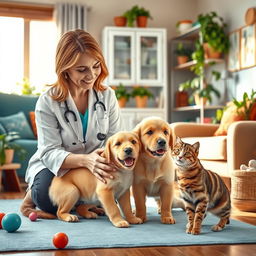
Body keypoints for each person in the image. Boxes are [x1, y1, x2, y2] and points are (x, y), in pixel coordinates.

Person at [20, 29, 123, 215]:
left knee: (112, 193)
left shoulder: (108, 96)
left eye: (96, 66)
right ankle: (32, 195)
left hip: (95, 164)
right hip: (58, 166)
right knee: (47, 200)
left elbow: (114, 140)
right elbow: (49, 151)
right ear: (64, 69)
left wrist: (104, 159)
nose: (91, 75)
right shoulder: (47, 101)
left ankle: (82, 202)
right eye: (82, 69)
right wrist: (86, 160)